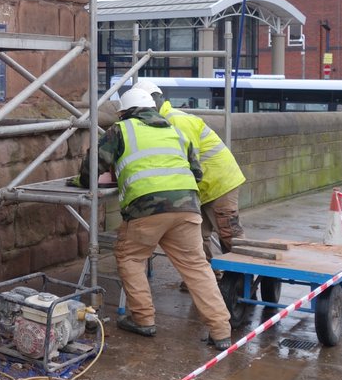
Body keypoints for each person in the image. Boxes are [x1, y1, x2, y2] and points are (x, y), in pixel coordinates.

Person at [85, 85, 233, 350]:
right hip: (187, 207)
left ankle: (143, 319)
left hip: (145, 210)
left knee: (130, 257)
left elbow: (90, 169)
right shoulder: (175, 132)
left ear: (125, 112)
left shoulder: (121, 130)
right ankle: (221, 330)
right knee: (197, 267)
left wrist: (92, 180)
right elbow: (196, 173)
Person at [133, 78, 246, 263]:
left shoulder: (175, 120)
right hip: (204, 185)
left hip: (219, 183)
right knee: (197, 238)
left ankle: (243, 279)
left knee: (229, 234)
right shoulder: (163, 120)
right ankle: (207, 278)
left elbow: (188, 160)